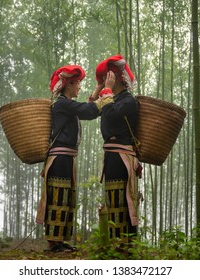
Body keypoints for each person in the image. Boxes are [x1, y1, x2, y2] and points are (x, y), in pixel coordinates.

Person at [36, 65, 103, 252]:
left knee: (66, 199)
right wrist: (105, 100)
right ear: (68, 85)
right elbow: (88, 110)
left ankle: (60, 240)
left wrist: (99, 89)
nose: (79, 87)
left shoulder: (66, 105)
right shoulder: (62, 104)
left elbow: (86, 107)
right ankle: (53, 242)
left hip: (66, 159)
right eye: (78, 83)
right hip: (59, 159)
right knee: (58, 198)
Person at [95, 54, 141, 244]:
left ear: (116, 78)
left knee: (124, 199)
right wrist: (101, 89)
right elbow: (94, 108)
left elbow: (112, 115)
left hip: (123, 157)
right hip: (112, 156)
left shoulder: (129, 101)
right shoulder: (112, 99)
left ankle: (126, 244)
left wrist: (106, 91)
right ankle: (115, 243)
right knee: (113, 197)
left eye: (109, 77)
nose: (107, 81)